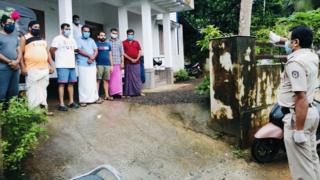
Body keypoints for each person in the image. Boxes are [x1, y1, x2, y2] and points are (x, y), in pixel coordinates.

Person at [277, 26, 320, 179]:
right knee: (311, 159)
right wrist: (280, 40)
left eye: (289, 40)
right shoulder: (312, 56)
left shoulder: (295, 62)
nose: (287, 42)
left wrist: (298, 130)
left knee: (302, 169)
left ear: (296, 42)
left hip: (298, 118)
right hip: (311, 112)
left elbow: (300, 97)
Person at [20, 21, 55, 113]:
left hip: (44, 69)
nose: (37, 29)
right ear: (29, 28)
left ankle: (44, 111)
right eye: (35, 27)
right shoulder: (24, 38)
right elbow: (20, 53)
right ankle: (33, 113)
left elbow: (48, 54)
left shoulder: (42, 39)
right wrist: (23, 67)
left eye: (38, 27)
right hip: (31, 69)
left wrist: (51, 65)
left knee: (43, 90)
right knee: (32, 91)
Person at [50, 23, 79, 111]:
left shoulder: (72, 40)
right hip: (62, 65)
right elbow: (51, 50)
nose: (68, 31)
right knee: (62, 84)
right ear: (62, 29)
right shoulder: (57, 39)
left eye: (69, 29)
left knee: (71, 84)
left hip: (71, 65)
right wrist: (56, 59)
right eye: (66, 29)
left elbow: (75, 50)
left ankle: (71, 102)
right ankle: (61, 104)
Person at [76, 25, 102, 106]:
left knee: (92, 82)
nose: (87, 33)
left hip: (92, 64)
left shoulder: (91, 40)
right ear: (81, 31)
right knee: (83, 83)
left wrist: (93, 57)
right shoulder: (78, 40)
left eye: (88, 31)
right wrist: (89, 56)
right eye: (85, 31)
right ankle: (83, 100)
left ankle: (94, 98)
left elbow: (96, 50)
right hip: (83, 64)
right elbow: (79, 50)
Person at [0, 15, 21, 103]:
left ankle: (10, 114)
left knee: (13, 93)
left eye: (13, 23)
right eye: (9, 23)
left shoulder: (15, 36)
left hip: (15, 69)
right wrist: (10, 62)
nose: (11, 25)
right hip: (2, 69)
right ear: (2, 23)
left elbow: (19, 50)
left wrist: (17, 61)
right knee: (1, 93)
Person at [122, 29, 144, 96]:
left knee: (137, 78)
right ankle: (128, 93)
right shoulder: (123, 42)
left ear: (133, 35)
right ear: (127, 35)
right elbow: (123, 53)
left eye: (132, 34)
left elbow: (140, 51)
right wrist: (130, 59)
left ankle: (138, 92)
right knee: (128, 78)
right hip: (128, 63)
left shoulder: (136, 42)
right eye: (129, 34)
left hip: (137, 63)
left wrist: (137, 58)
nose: (130, 35)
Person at [96, 31, 113, 100]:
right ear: (98, 36)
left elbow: (110, 55)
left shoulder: (108, 44)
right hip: (99, 65)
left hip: (107, 65)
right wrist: (95, 66)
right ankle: (96, 97)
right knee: (98, 80)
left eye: (104, 35)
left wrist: (111, 65)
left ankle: (107, 95)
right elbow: (94, 55)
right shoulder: (95, 44)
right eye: (101, 35)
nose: (103, 37)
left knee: (106, 80)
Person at [108, 28, 124, 97]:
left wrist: (122, 62)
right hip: (110, 64)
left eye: (116, 33)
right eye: (113, 33)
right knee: (111, 79)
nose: (114, 34)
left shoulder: (119, 42)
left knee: (118, 79)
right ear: (110, 33)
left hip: (118, 63)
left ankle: (119, 93)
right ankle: (112, 93)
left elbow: (122, 53)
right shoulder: (107, 42)